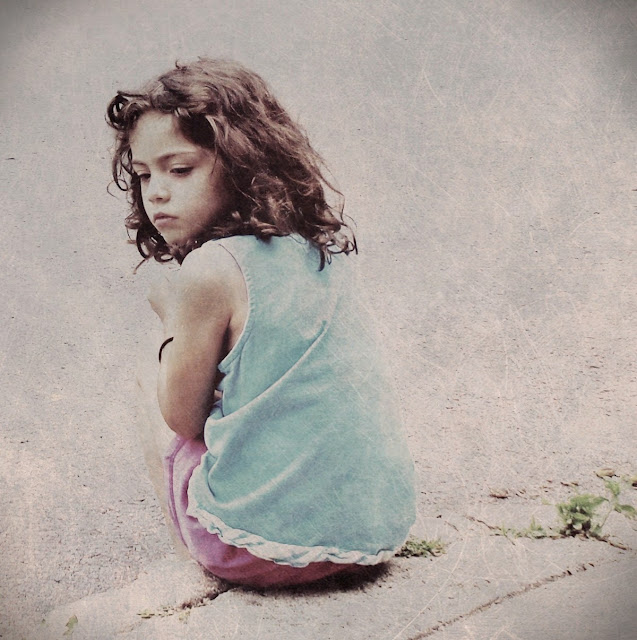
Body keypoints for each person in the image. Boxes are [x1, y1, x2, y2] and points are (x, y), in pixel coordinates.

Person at [106, 58, 416, 588]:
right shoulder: (317, 246)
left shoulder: (209, 270)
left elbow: (182, 419)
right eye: (143, 174)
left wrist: (172, 322)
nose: (155, 191)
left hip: (257, 551)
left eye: (179, 170)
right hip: (372, 532)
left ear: (243, 162)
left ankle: (192, 555)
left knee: (151, 381)